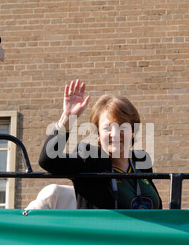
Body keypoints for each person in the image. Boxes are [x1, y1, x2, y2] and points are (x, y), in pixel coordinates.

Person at [39, 79, 162, 209]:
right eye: (107, 128)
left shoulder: (141, 160)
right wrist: (67, 118)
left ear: (132, 130)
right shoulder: (90, 159)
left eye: (122, 126)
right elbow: (48, 160)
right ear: (98, 132)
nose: (114, 134)